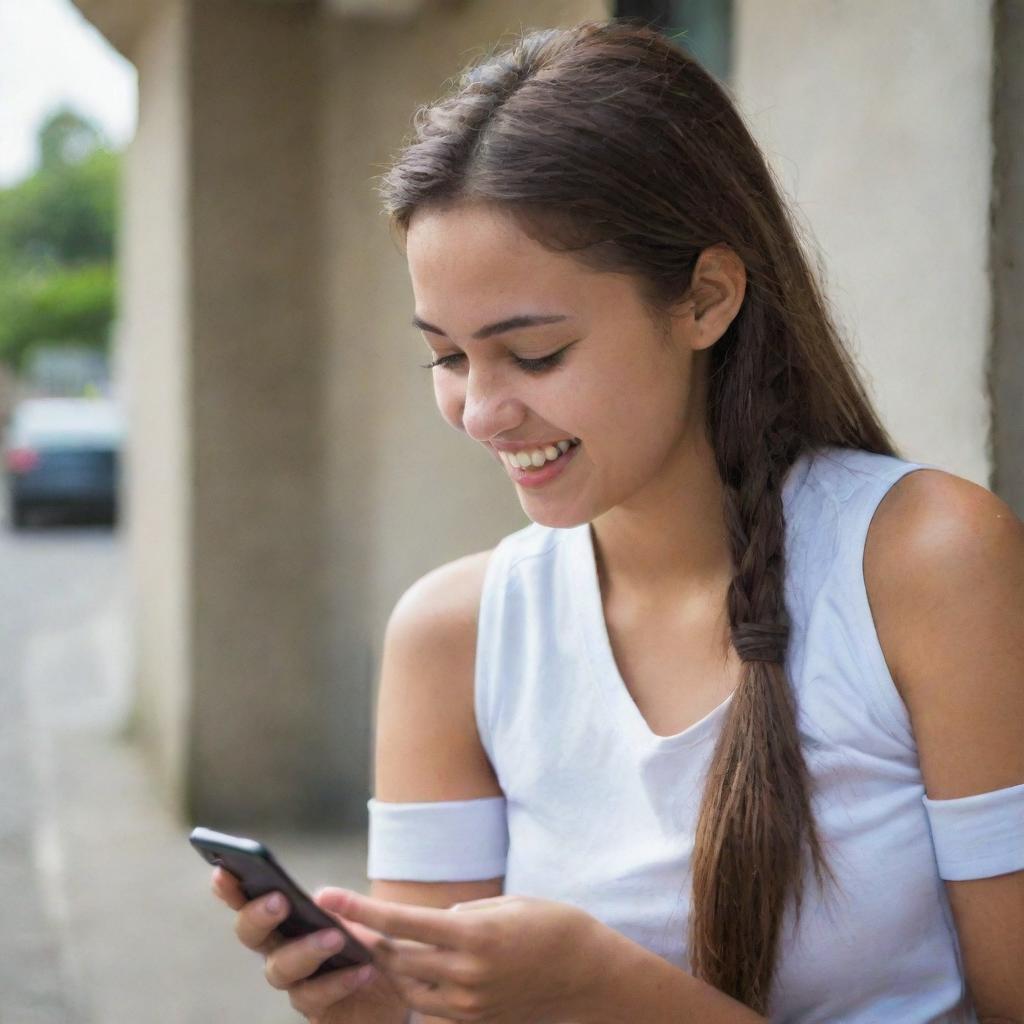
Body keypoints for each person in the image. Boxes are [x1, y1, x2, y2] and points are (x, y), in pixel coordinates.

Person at [211, 19, 1024, 1023]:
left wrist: (609, 993)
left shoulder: (927, 562)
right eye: (448, 356)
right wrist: (373, 1008)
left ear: (706, 298)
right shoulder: (452, 637)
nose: (481, 409)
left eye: (536, 352)